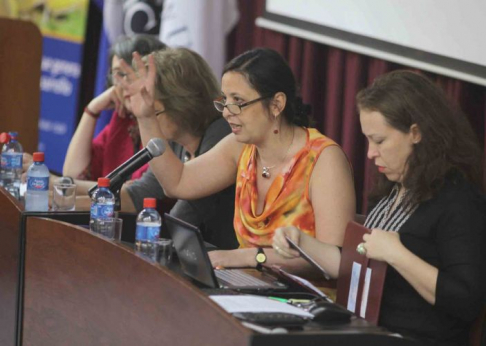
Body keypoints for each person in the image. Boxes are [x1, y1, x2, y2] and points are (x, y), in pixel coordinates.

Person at [272, 70, 486, 345]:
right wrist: (301, 242)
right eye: (368, 140)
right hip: (366, 330)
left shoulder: (457, 201)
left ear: (416, 133)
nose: (371, 152)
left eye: (380, 140)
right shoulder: (393, 189)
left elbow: (466, 300)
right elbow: (356, 262)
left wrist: (397, 254)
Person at [118, 47, 355, 272]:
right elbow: (177, 181)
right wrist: (147, 117)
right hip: (246, 287)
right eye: (225, 100)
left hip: (306, 301)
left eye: (238, 102)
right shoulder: (240, 147)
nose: (226, 112)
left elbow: (336, 258)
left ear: (276, 104)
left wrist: (244, 257)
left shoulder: (323, 159)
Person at [63, 34, 167, 190]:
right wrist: (92, 110)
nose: (124, 84)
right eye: (117, 75)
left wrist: (56, 184)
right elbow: (74, 174)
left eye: (130, 74)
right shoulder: (123, 120)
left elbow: (134, 193)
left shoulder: (168, 122)